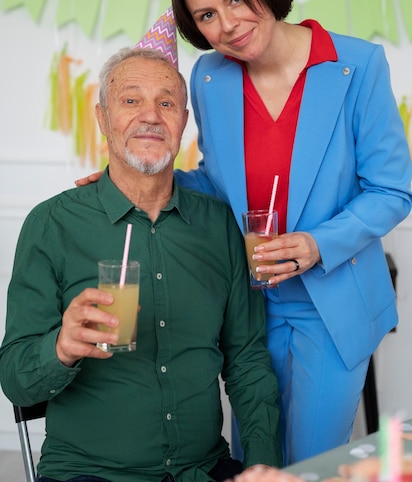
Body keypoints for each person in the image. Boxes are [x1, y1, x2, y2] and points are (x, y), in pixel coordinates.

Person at [75, 0, 412, 468]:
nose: (226, 24)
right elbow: (216, 179)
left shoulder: (356, 66)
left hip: (331, 303)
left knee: (306, 463)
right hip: (245, 303)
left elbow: (390, 190)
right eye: (205, 16)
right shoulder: (210, 77)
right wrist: (135, 177)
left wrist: (316, 243)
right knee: (249, 458)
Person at [0, 44, 282, 482]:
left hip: (202, 470)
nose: (150, 116)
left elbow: (246, 360)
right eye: (131, 100)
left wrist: (263, 464)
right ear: (102, 118)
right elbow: (16, 381)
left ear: (183, 123)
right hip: (89, 473)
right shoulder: (52, 224)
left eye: (166, 102)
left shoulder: (220, 226)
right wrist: (61, 347)